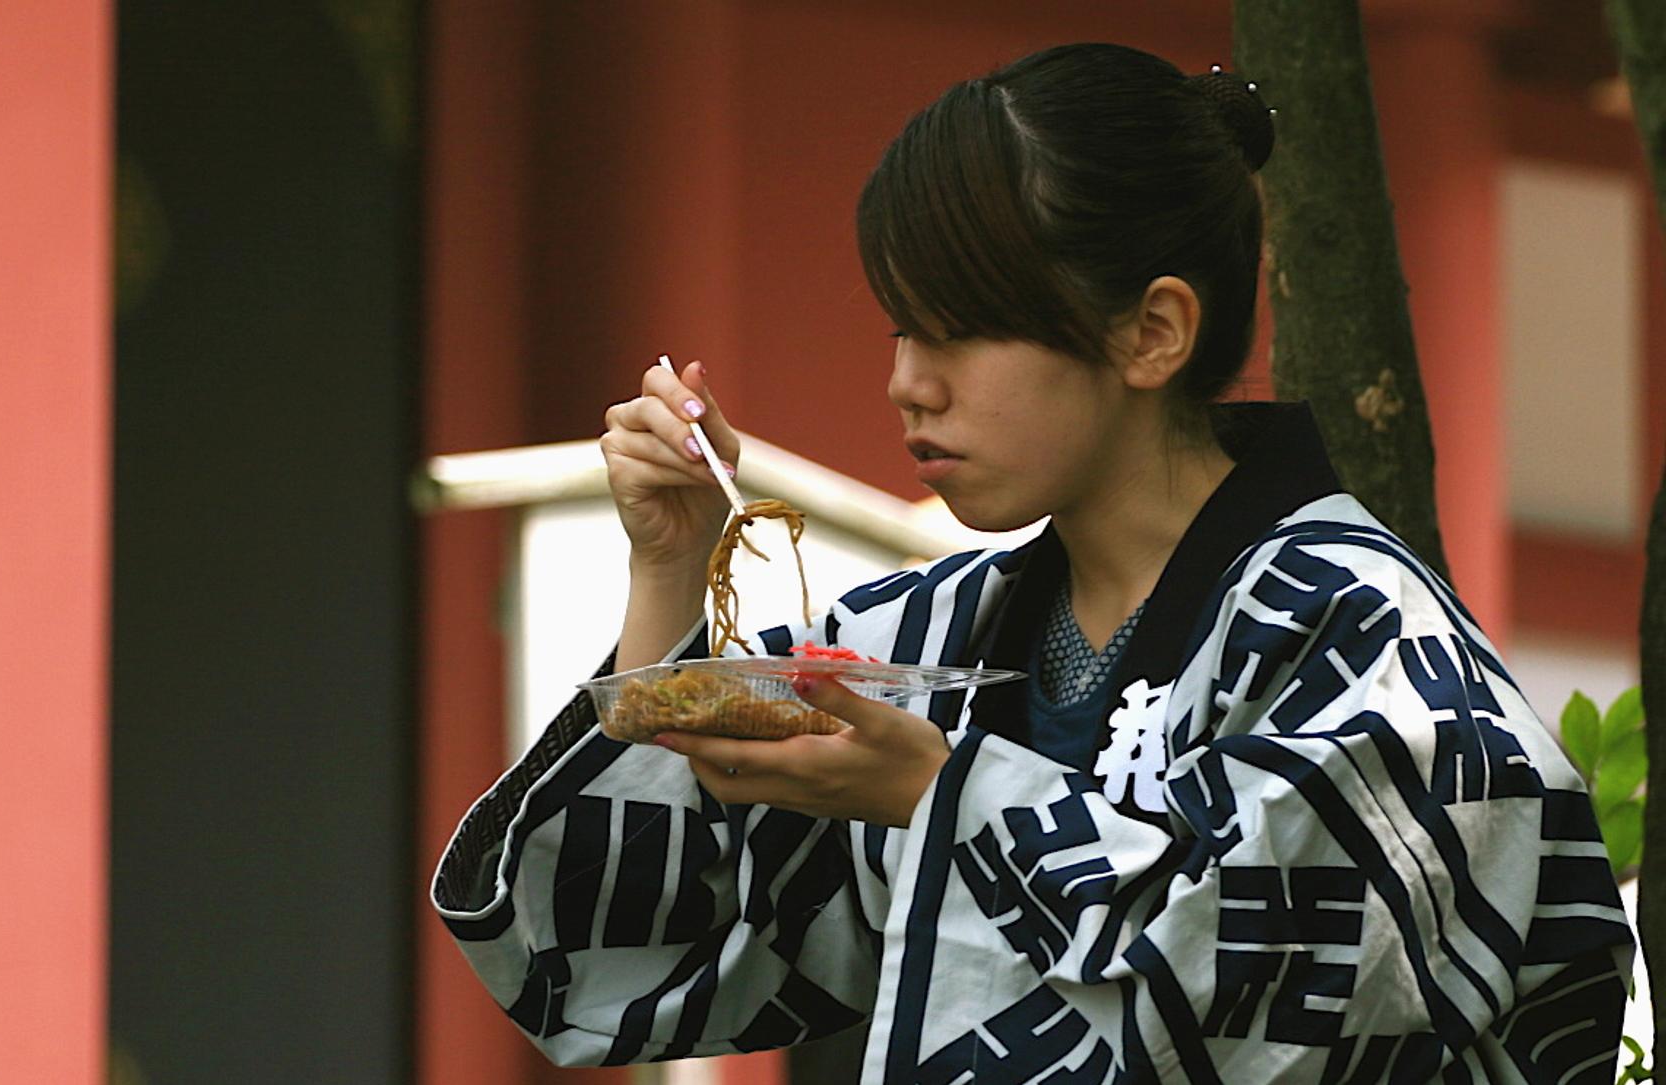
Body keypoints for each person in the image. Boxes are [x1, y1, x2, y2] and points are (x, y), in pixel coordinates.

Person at [431, 42, 1634, 1084]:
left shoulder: (1368, 640)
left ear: (1152, 332)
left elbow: (1276, 1012)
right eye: (902, 326)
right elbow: (602, 948)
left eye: (962, 329)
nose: (908, 381)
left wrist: (943, 798)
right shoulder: (923, 645)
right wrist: (670, 570)